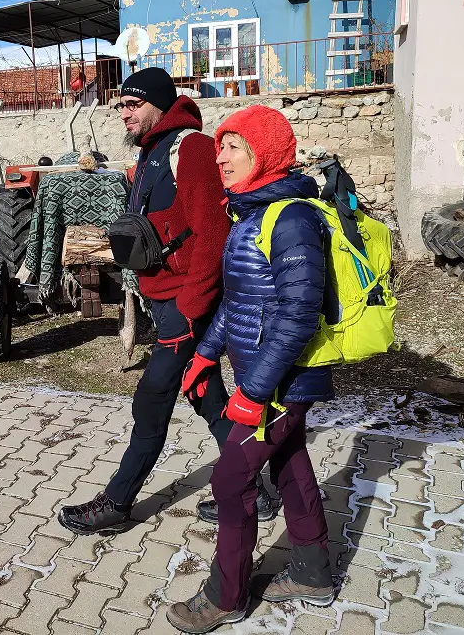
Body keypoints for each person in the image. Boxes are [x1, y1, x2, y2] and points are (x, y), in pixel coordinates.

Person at [57, 68, 278, 535]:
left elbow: (212, 234)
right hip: (166, 302)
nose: (124, 113)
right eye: (120, 105)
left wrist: (191, 311)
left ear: (159, 105)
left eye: (133, 104)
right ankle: (255, 488)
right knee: (206, 392)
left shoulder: (191, 149)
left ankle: (116, 503)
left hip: (185, 305)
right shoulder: (151, 153)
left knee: (153, 397)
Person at [167, 105, 336, 633]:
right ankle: (312, 571)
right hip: (263, 371)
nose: (221, 157)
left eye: (235, 146)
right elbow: (238, 303)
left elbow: (299, 313)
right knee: (288, 461)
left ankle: (226, 595)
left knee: (231, 478)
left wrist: (255, 390)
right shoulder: (250, 214)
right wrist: (205, 354)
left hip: (285, 378)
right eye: (221, 146)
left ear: (267, 153)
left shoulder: (292, 218)